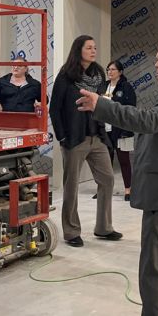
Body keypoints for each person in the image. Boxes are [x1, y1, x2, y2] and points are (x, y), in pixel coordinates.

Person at [76, 39, 158, 316]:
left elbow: (150, 121)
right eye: (157, 59)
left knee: (156, 269)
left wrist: (103, 105)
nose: (157, 65)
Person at [49, 35, 122, 248]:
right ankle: (71, 232)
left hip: (96, 136)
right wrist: (62, 137)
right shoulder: (66, 75)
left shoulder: (98, 75)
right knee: (71, 186)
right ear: (78, 50)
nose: (93, 51)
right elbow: (55, 108)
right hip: (74, 138)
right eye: (89, 47)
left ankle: (104, 227)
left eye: (95, 47)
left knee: (107, 179)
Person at [91, 60, 136, 201]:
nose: (110, 72)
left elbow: (131, 109)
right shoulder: (102, 86)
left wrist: (126, 129)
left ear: (120, 72)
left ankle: (129, 190)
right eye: (108, 69)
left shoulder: (126, 87)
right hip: (105, 130)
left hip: (122, 130)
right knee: (105, 162)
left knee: (124, 160)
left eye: (113, 69)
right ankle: (103, 189)